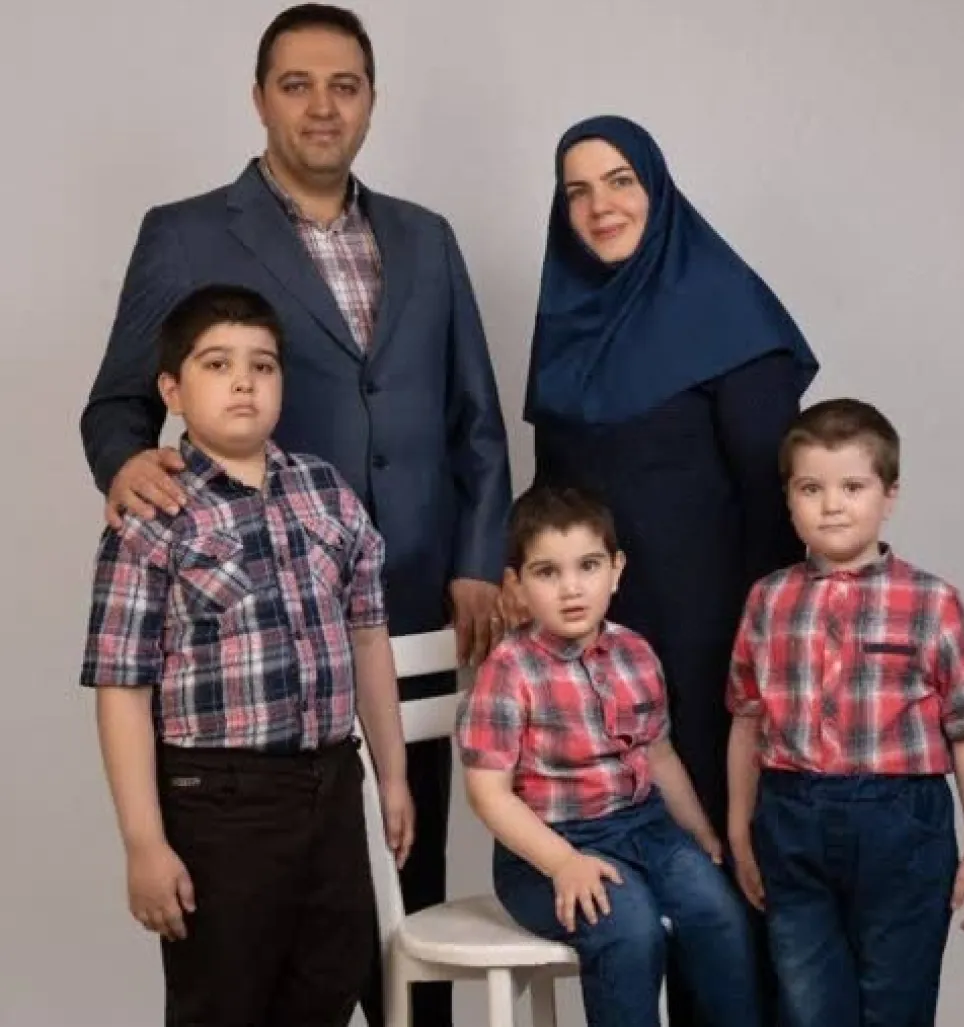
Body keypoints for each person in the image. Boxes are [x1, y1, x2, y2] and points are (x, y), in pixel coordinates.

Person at [80, 7, 510, 1024]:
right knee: (255, 946)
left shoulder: (426, 237)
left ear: (371, 101)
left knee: (404, 889)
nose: (323, 106)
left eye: (344, 85)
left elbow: (476, 420)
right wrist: (127, 466)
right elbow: (116, 404)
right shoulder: (185, 233)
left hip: (406, 609)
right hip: (243, 638)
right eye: (297, 84)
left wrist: (477, 560)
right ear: (260, 98)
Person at [521, 113, 818, 1023]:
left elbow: (775, 503)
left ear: (657, 189)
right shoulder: (568, 323)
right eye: (577, 190)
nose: (599, 205)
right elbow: (551, 494)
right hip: (601, 646)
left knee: (731, 866)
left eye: (620, 181)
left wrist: (766, 661)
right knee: (658, 870)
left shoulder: (725, 309)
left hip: (720, 636)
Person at [80, 285, 413, 1026]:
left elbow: (367, 638)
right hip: (218, 800)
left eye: (262, 366)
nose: (243, 382)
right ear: (172, 389)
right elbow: (122, 688)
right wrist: (144, 841)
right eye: (217, 364)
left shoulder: (328, 494)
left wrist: (392, 776)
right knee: (224, 998)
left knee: (330, 982)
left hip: (331, 785)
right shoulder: (153, 515)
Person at [726, 398, 964, 1027]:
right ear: (788, 499)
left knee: (896, 1003)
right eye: (811, 488)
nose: (832, 505)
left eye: (852, 487)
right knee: (807, 1003)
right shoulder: (767, 601)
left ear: (889, 495)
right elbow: (747, 718)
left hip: (902, 827)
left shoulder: (931, 602)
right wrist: (741, 828)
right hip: (790, 821)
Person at [458, 484, 762, 1027]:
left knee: (717, 915)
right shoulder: (509, 670)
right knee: (629, 929)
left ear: (617, 570)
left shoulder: (634, 653)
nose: (571, 588)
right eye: (547, 572)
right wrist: (563, 863)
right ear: (517, 585)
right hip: (548, 847)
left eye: (589, 566)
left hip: (646, 828)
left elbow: (659, 756)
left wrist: (699, 832)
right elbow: (489, 795)